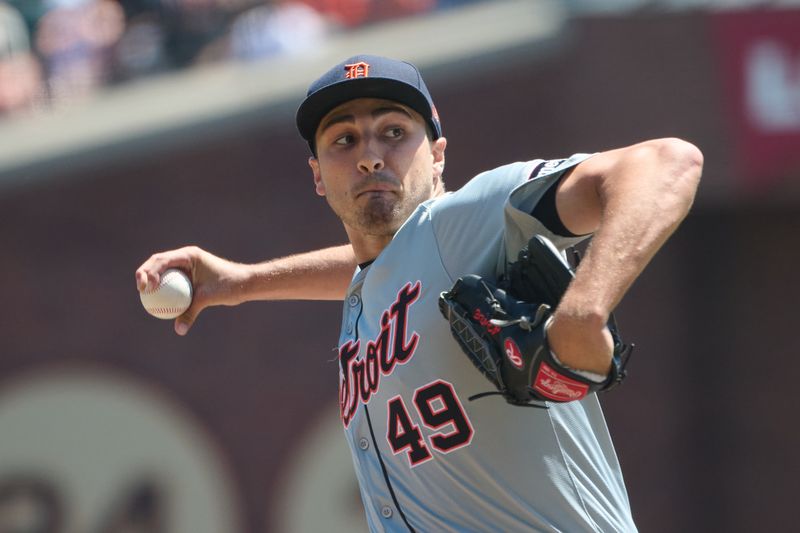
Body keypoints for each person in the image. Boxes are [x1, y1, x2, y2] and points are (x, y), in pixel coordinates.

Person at [136, 54, 703, 531]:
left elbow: (665, 163)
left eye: (393, 132)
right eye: (343, 140)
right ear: (317, 175)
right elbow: (377, 268)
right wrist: (242, 283)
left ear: (437, 156)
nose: (369, 154)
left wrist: (584, 309)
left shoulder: (462, 219)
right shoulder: (387, 276)